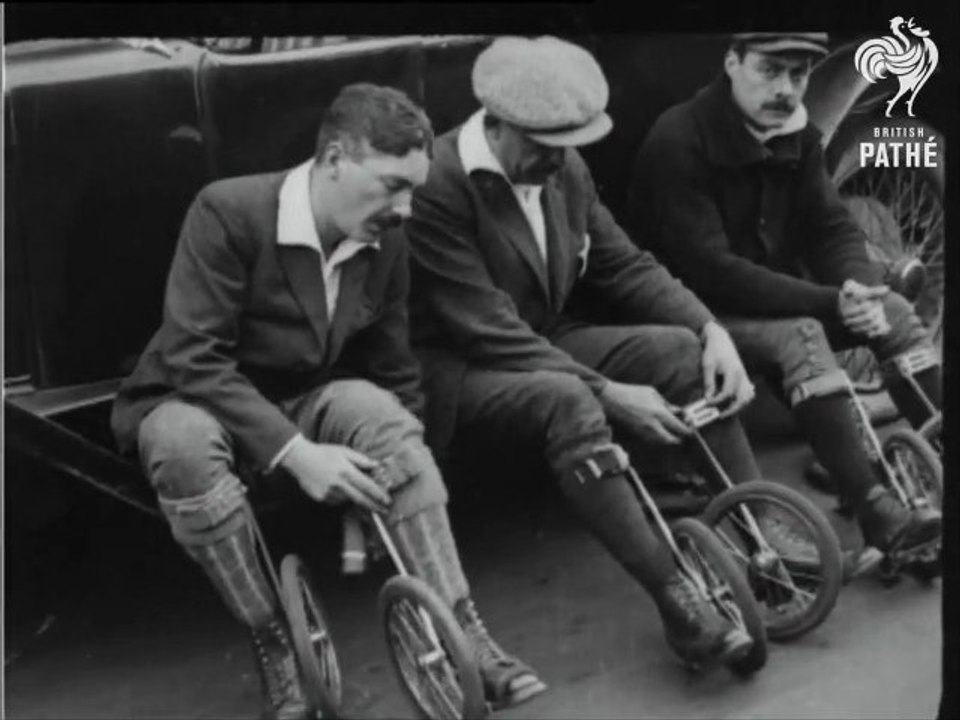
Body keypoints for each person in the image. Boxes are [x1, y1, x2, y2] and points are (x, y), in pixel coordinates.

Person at [111, 83, 545, 720]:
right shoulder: (228, 211)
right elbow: (192, 357)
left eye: (414, 190)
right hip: (192, 398)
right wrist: (299, 456)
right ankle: (276, 643)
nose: (404, 208)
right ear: (334, 160)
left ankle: (464, 632)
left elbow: (395, 369)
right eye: (391, 184)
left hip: (303, 397)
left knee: (384, 417)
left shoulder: (387, 237)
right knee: (181, 446)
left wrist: (386, 482)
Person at [404, 35, 773, 668]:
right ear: (495, 125)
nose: (561, 164)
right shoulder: (436, 185)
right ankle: (676, 596)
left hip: (543, 343)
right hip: (459, 366)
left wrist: (711, 329)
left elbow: (622, 264)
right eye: (545, 149)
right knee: (571, 399)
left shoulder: (561, 166)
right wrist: (608, 393)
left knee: (681, 354)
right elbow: (487, 328)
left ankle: (762, 536)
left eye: (570, 149)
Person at [627, 32, 942, 564]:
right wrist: (826, 302)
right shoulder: (679, 140)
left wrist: (858, 286)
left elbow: (830, 227)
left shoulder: (797, 135)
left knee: (893, 314)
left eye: (798, 75)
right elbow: (712, 271)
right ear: (731, 62)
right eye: (769, 70)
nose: (786, 89)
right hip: (695, 316)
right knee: (804, 334)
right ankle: (876, 510)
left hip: (769, 299)